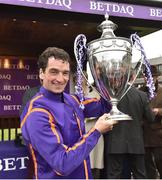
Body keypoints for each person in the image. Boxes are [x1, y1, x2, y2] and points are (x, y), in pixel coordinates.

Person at [20, 47, 117, 179]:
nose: (60, 79)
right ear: (41, 73)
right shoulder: (36, 113)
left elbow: (104, 106)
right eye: (54, 72)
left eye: (65, 73)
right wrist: (96, 131)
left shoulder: (72, 100)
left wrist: (100, 75)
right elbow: (62, 163)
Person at [103, 71, 154, 179]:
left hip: (116, 142)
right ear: (133, 77)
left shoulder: (111, 95)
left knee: (113, 176)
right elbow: (151, 118)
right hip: (136, 141)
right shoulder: (142, 95)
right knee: (140, 175)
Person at [141, 65, 162, 179]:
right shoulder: (139, 91)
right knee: (148, 169)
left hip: (158, 136)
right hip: (144, 136)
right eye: (146, 76)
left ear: (156, 77)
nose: (149, 79)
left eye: (151, 76)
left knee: (160, 163)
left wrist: (159, 111)